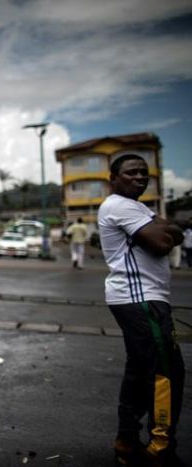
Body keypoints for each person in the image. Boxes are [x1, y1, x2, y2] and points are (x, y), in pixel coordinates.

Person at [97, 154, 185, 467]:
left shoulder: (136, 208)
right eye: (131, 172)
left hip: (139, 299)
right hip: (141, 300)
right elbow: (162, 241)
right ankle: (161, 447)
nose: (139, 178)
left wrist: (166, 230)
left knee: (139, 372)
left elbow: (164, 231)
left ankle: (127, 440)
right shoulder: (120, 205)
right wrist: (169, 231)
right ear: (114, 178)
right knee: (166, 372)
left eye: (144, 173)